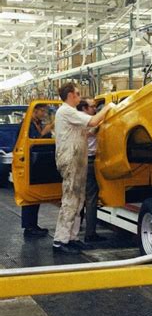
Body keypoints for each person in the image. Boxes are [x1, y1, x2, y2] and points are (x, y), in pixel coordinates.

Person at [53, 83, 113, 255]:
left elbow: (88, 131)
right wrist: (109, 106)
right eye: (78, 94)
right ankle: (60, 240)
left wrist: (102, 124)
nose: (79, 97)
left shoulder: (73, 114)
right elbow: (93, 120)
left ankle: (72, 238)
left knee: (78, 200)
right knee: (71, 199)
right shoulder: (66, 111)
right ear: (71, 95)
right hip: (70, 160)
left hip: (77, 160)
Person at [77, 98, 106, 243]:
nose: (95, 109)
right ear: (84, 108)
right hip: (88, 161)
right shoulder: (88, 121)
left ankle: (76, 230)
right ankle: (90, 234)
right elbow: (91, 131)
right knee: (91, 198)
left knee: (82, 198)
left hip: (82, 162)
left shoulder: (79, 120)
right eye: (93, 106)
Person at [22, 104, 53, 238]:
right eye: (41, 111)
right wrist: (44, 132)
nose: (44, 114)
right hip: (29, 162)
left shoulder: (37, 123)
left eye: (45, 111)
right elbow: (31, 141)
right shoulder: (27, 124)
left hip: (38, 163)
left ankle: (33, 225)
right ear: (34, 111)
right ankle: (29, 227)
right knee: (29, 197)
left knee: (35, 196)